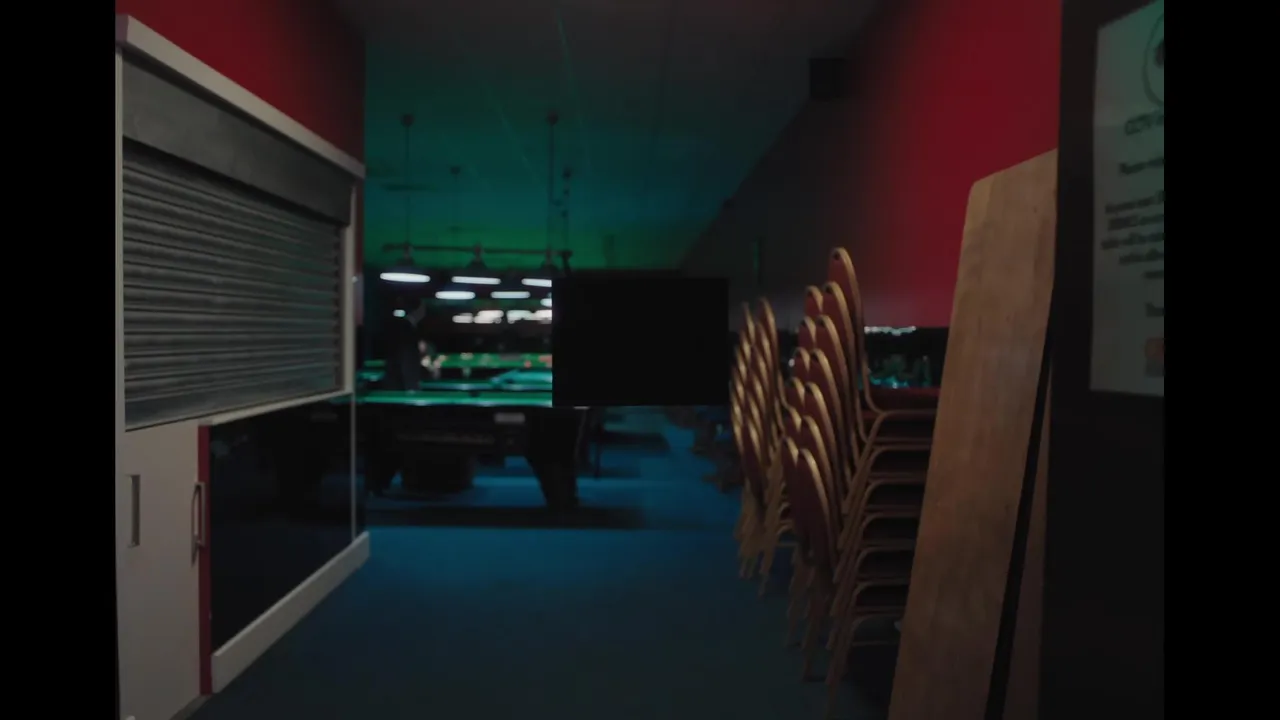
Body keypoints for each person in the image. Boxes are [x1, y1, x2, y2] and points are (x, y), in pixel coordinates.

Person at [384, 297, 428, 391]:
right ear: (417, 310)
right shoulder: (406, 329)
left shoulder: (406, 327)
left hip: (399, 383)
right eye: (423, 309)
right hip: (401, 385)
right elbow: (407, 359)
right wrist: (411, 386)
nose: (424, 312)